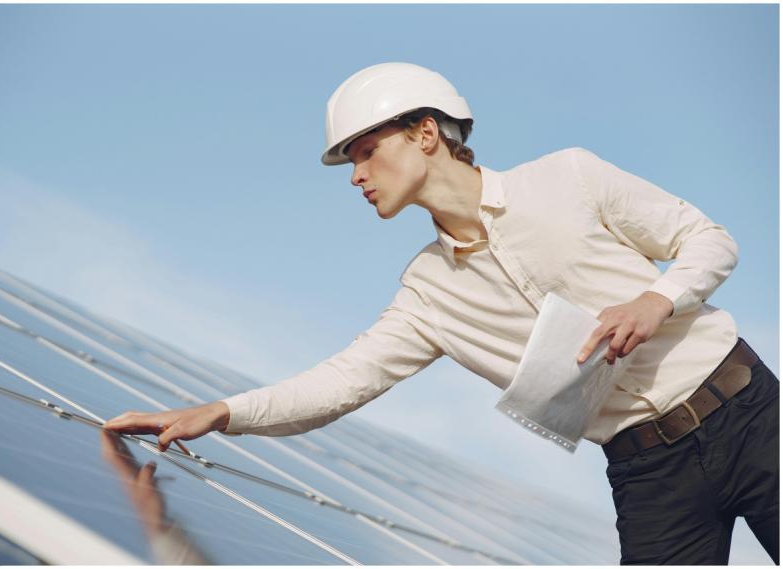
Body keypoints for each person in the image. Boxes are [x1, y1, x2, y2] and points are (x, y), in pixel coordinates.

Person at [105, 62, 779, 565]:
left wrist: (657, 298)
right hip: (649, 477)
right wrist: (221, 412)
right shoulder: (427, 293)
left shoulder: (568, 176)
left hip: (751, 418)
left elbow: (708, 239)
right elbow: (340, 384)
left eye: (367, 151)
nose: (356, 175)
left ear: (425, 133)